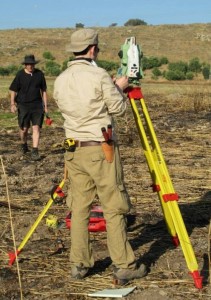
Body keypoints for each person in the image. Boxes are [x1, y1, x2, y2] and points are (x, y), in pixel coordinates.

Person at [53, 29, 147, 283]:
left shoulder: (60, 79)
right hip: (100, 148)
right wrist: (120, 87)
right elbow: (117, 107)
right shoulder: (98, 75)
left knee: (79, 208)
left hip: (73, 151)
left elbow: (75, 107)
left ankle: (79, 265)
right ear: (93, 49)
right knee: (114, 206)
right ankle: (124, 264)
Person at [9, 54, 48, 161]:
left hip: (37, 105)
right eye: (28, 64)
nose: (30, 66)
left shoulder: (39, 74)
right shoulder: (20, 75)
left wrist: (45, 106)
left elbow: (43, 91)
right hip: (23, 105)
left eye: (32, 64)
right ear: (25, 65)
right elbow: (13, 90)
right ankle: (23, 144)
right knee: (24, 128)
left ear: (34, 64)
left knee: (36, 128)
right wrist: (12, 104)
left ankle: (35, 151)